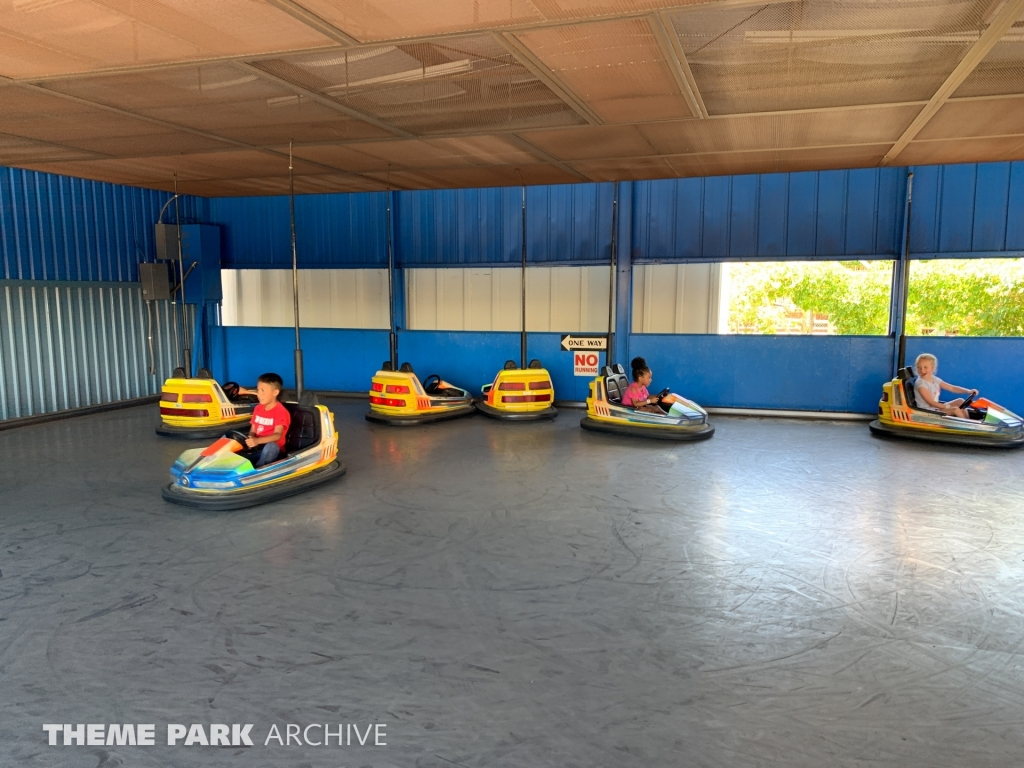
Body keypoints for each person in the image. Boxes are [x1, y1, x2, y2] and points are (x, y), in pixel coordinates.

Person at [243, 372, 290, 467]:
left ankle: (260, 469)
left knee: (271, 447)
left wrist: (257, 441)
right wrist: (251, 439)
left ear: (275, 393)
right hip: (257, 448)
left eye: (263, 391)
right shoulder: (258, 408)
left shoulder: (280, 411)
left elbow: (277, 435)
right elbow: (253, 430)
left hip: (275, 452)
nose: (259, 394)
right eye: (258, 390)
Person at [913, 353, 977, 419]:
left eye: (925, 367)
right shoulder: (921, 384)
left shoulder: (934, 379)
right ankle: (967, 425)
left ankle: (968, 420)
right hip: (927, 413)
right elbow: (931, 403)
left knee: (960, 401)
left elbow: (952, 388)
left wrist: (968, 391)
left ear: (932, 367)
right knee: (955, 409)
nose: (922, 370)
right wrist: (948, 407)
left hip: (935, 409)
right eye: (919, 367)